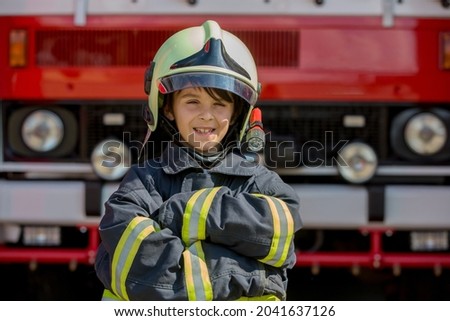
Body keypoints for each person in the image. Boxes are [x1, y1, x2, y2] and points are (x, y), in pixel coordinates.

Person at [94, 20, 302, 301]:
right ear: (167, 108)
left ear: (239, 113)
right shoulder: (143, 181)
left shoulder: (263, 182)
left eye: (220, 104)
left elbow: (279, 236)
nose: (207, 115)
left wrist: (178, 214)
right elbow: (136, 269)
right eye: (192, 102)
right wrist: (250, 273)